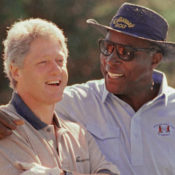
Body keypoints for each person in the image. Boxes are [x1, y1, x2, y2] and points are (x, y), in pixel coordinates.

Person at [0, 3, 175, 175]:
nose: (111, 60)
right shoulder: (76, 100)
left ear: (155, 59)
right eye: (107, 48)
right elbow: (30, 98)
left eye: (125, 52)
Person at [0, 18, 120, 175]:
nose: (57, 70)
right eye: (43, 62)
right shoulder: (5, 133)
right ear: (16, 71)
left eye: (60, 61)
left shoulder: (79, 134)